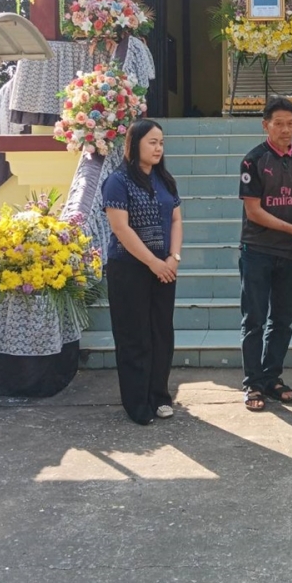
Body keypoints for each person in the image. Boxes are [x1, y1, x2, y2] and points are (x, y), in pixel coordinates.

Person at [238, 97, 292, 411]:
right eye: (279, 124)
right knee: (255, 320)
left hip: (289, 253)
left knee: (283, 319)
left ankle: (272, 377)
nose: (286, 129)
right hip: (257, 251)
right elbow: (254, 211)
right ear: (266, 125)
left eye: (291, 123)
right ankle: (253, 383)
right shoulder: (253, 160)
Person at [102, 120, 183, 426]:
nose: (158, 148)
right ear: (134, 144)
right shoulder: (118, 181)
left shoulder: (165, 180)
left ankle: (159, 396)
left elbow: (176, 220)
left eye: (161, 142)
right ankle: (137, 403)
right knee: (134, 336)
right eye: (152, 142)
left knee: (161, 334)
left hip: (164, 269)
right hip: (129, 269)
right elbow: (120, 228)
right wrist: (153, 262)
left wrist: (173, 257)